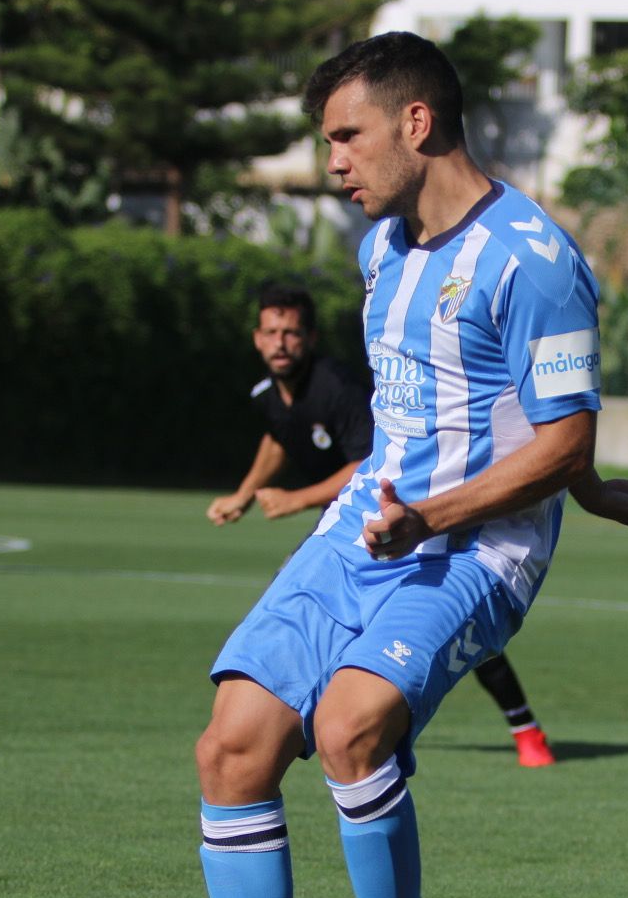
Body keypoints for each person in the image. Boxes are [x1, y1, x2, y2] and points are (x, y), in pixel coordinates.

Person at [192, 32, 628, 898]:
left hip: (480, 543)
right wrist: (407, 507)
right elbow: (445, 414)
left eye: (347, 136)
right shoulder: (381, 249)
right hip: (372, 524)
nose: (333, 161)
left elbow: (560, 437)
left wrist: (462, 510)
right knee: (232, 745)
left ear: (416, 123)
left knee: (350, 725)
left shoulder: (535, 261)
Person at [208, 281, 563, 768]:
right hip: (342, 523)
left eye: (290, 333)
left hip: (397, 511)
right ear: (256, 339)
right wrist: (244, 495)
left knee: (444, 624)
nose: (280, 343)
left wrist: (294, 499)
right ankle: (321, 714)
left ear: (310, 339)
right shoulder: (267, 394)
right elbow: (277, 439)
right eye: (270, 333)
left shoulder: (336, 388)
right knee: (297, 601)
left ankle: (524, 728)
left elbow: (365, 462)